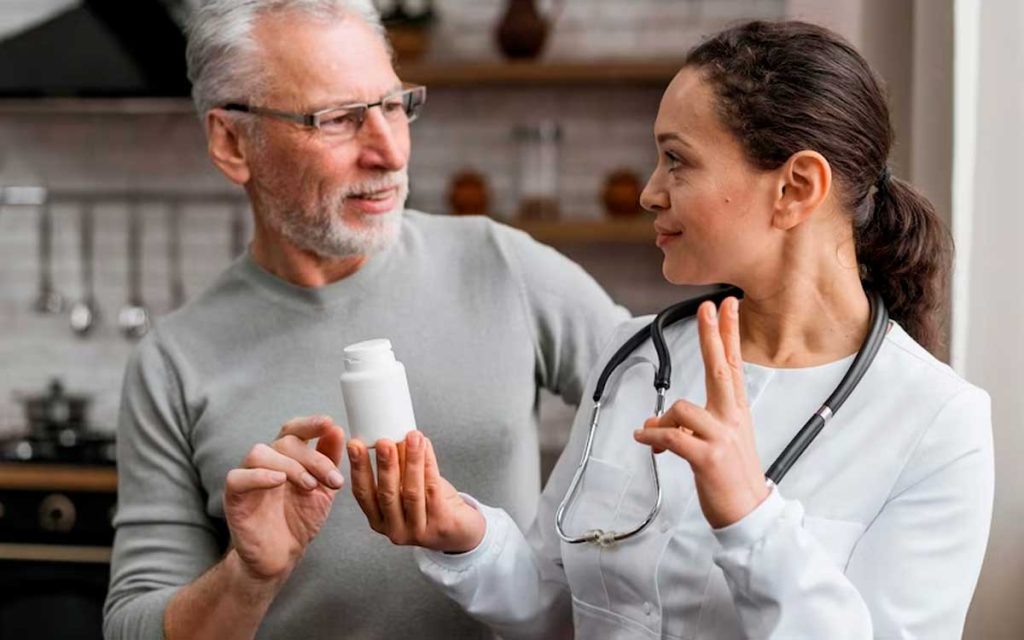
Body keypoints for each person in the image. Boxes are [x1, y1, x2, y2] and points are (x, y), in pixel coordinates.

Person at [351, 20, 995, 639]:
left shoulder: (939, 425)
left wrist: (750, 515)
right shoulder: (633, 360)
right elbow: (560, 612)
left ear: (796, 187)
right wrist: (465, 535)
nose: (649, 192)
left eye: (677, 161)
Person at [101, 1, 627, 639]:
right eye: (338, 119)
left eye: (394, 105)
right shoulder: (174, 363)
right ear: (233, 142)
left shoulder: (501, 265)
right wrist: (249, 577)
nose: (388, 150)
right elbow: (132, 626)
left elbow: (668, 407)